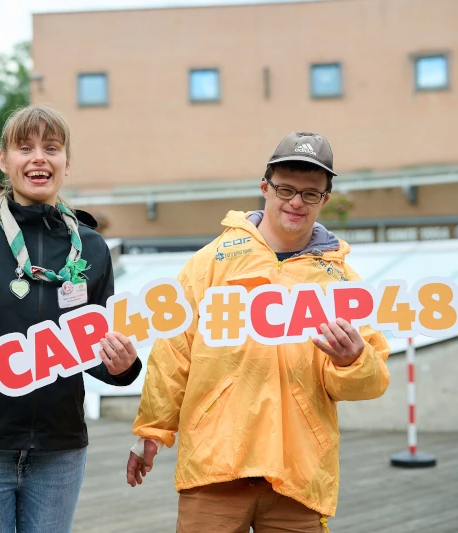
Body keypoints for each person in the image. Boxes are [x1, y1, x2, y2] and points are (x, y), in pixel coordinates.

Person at [126, 132, 391, 532]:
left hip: (299, 474)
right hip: (216, 466)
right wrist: (153, 431)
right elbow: (173, 355)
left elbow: (372, 382)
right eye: (286, 189)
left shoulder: (340, 281)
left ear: (326, 199)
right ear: (264, 187)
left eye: (311, 193)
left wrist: (353, 360)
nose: (296, 202)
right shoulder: (210, 264)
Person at [0, 104, 142, 533]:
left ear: (66, 163)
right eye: (25, 147)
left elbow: (98, 343)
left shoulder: (92, 246)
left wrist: (124, 366)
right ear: (4, 161)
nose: (39, 157)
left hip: (59, 447)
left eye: (51, 148)